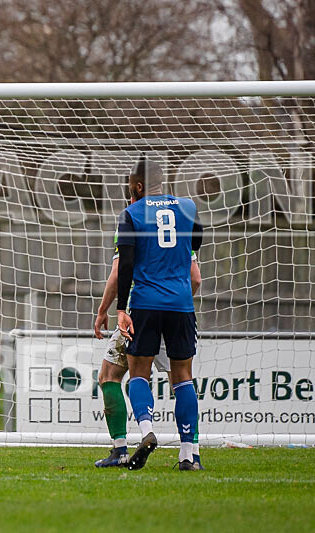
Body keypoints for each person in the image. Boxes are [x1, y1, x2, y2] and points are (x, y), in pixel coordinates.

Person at [115, 158, 204, 471]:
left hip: (145, 303)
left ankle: (146, 430)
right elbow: (195, 250)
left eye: (130, 187)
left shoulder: (132, 213)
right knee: (183, 377)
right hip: (181, 303)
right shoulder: (188, 208)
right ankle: (188, 455)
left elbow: (125, 264)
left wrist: (121, 309)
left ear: (139, 186)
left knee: (139, 372)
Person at [93, 229, 202, 468]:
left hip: (141, 312)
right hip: (178, 311)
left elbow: (117, 272)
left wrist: (103, 310)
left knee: (110, 375)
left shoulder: (132, 223)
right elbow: (195, 278)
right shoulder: (178, 223)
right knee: (182, 380)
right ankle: (190, 454)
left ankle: (121, 448)